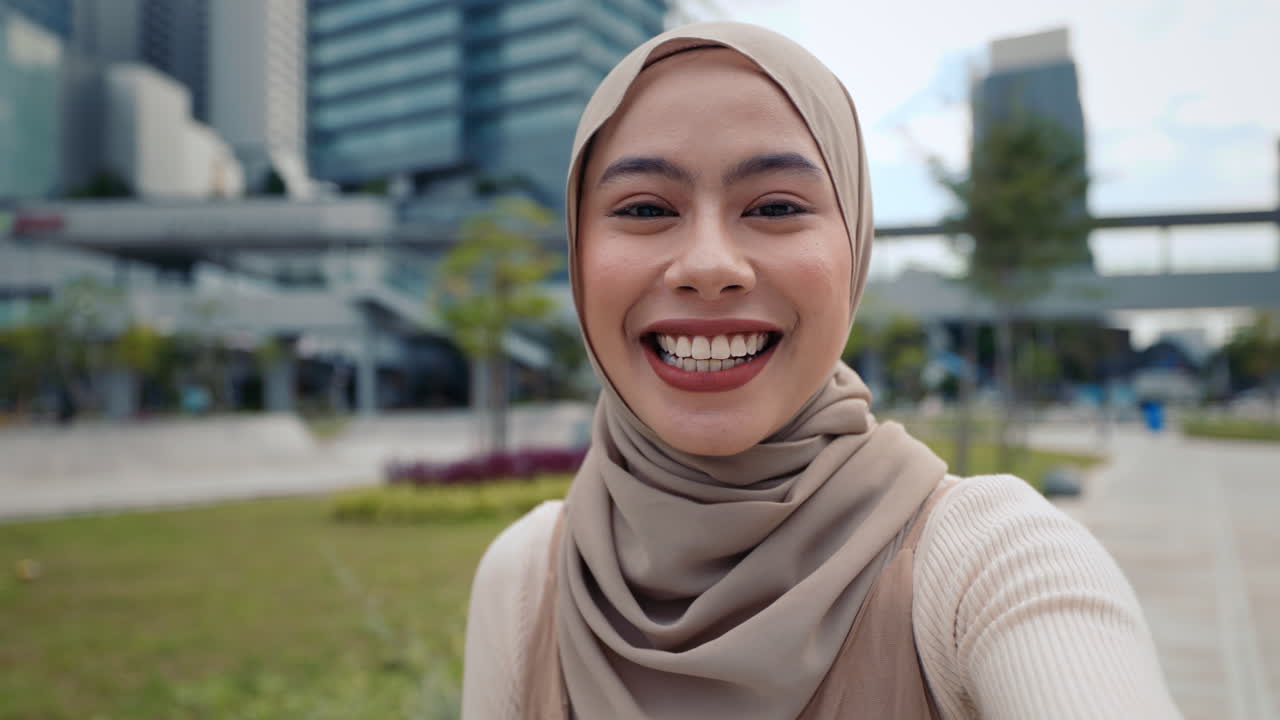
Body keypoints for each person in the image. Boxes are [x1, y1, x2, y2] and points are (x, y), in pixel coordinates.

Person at [462, 22, 1179, 719]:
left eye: (775, 206)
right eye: (646, 208)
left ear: (854, 247)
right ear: (579, 254)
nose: (710, 266)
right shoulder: (528, 579)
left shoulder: (989, 566)